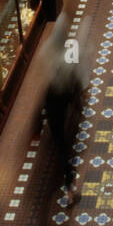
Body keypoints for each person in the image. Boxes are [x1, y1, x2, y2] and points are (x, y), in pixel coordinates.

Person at [43, 11, 85, 189]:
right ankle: (69, 178)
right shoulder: (69, 48)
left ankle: (69, 176)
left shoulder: (50, 49)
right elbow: (75, 70)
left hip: (56, 96)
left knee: (59, 136)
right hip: (64, 93)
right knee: (61, 135)